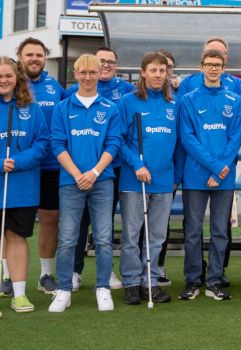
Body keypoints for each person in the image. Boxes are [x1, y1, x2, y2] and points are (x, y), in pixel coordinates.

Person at [48, 54, 121, 313]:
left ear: (99, 73)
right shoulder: (63, 108)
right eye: (83, 73)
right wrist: (78, 173)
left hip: (102, 181)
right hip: (70, 181)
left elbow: (113, 144)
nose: (88, 77)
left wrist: (93, 172)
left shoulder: (109, 108)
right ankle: (64, 289)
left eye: (93, 72)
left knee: (103, 238)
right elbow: (57, 144)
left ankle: (102, 287)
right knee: (67, 238)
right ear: (75, 74)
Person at [178, 50, 241, 301]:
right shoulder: (189, 99)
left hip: (224, 176)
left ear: (224, 68)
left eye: (217, 65)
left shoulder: (234, 100)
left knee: (220, 231)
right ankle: (193, 279)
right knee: (193, 231)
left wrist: (220, 168)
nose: (213, 68)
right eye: (209, 64)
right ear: (201, 67)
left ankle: (215, 280)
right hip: (196, 175)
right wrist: (214, 166)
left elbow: (235, 137)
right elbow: (188, 138)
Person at [68, 47, 133, 292]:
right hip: (78, 172)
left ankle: (106, 273)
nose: (105, 65)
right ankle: (75, 271)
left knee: (104, 224)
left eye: (110, 62)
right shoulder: (71, 94)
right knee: (79, 222)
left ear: (116, 66)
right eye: (101, 61)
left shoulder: (125, 91)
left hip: (110, 170)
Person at [118, 51, 181, 305]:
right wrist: (137, 164)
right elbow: (118, 141)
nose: (158, 75)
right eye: (153, 70)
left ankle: (150, 281)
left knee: (156, 237)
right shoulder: (128, 102)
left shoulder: (173, 103)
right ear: (143, 72)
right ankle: (132, 282)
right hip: (135, 181)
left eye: (162, 71)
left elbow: (179, 145)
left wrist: (176, 176)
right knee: (132, 235)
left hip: (165, 182)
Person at [5, 38, 64, 296]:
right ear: (20, 56)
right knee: (8, 225)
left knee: (50, 219)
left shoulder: (56, 87)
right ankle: (7, 277)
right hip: (16, 169)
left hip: (50, 164)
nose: (35, 59)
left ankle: (45, 274)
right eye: (29, 54)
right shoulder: (10, 82)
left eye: (39, 55)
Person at [0, 57, 49, 312]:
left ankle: (19, 294)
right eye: (0, 76)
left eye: (8, 75)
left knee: (16, 237)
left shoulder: (32, 107)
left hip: (22, 187)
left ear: (17, 77)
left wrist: (17, 161)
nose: (4, 80)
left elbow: (42, 143)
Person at [177, 37, 241, 106]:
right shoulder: (188, 82)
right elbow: (180, 110)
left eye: (220, 52)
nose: (215, 55)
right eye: (209, 52)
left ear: (226, 57)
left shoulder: (237, 84)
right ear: (203, 56)